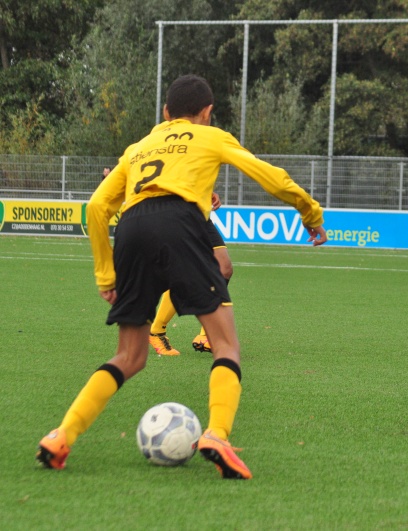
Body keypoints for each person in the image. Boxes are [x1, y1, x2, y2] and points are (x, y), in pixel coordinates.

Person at [36, 74, 327, 479]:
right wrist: (309, 212)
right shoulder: (210, 136)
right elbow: (269, 175)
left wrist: (106, 275)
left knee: (128, 356)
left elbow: (98, 207)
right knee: (225, 345)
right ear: (206, 113)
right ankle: (217, 435)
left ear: (165, 112)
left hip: (132, 228)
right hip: (180, 224)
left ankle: (61, 436)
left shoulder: (138, 148)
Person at [148, 192, 231, 356]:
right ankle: (156, 331)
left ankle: (205, 335)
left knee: (223, 268)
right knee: (185, 273)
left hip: (199, 212)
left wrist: (206, 190)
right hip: (176, 211)